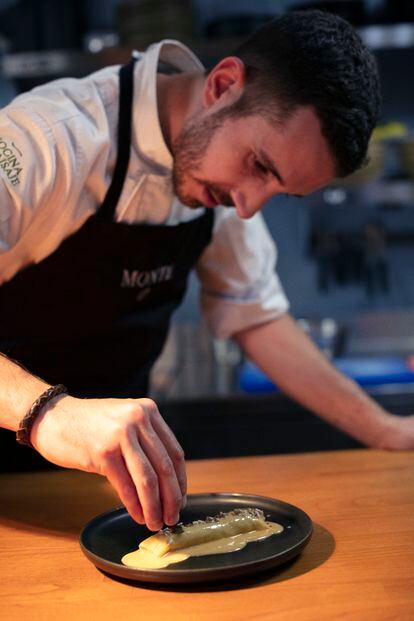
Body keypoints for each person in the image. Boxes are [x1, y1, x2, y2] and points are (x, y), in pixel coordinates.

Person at [0, 10, 413, 532]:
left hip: (90, 490)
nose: (247, 207)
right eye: (260, 165)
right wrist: (47, 412)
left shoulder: (218, 176)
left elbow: (256, 317)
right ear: (222, 86)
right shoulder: (49, 140)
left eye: (279, 190)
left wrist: (387, 430)